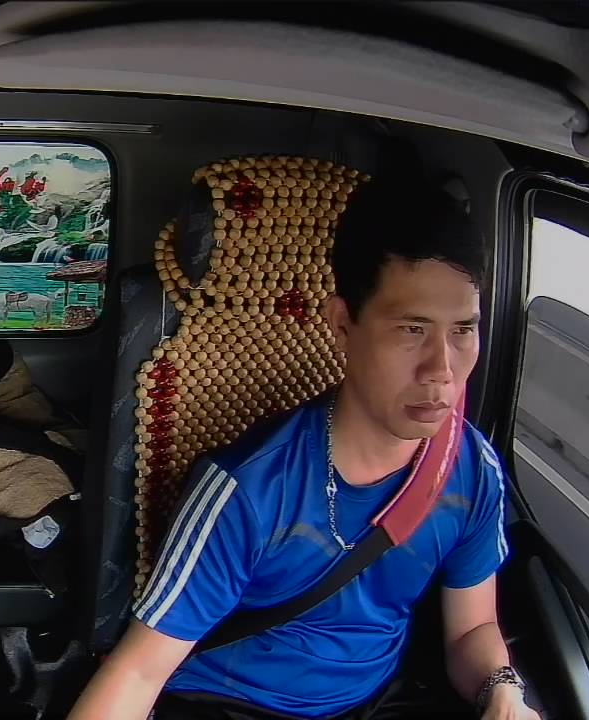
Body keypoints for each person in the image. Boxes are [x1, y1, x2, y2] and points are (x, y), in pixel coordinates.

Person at [68, 175, 539, 720]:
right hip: (232, 704)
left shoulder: (472, 469)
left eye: (462, 331)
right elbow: (138, 671)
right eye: (412, 330)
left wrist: (502, 690)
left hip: (378, 700)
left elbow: (472, 629)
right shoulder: (248, 489)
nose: (442, 370)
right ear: (343, 324)